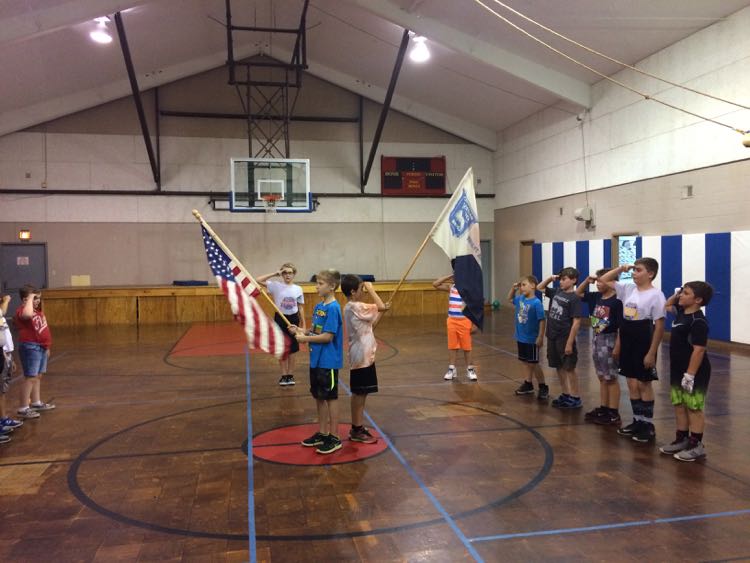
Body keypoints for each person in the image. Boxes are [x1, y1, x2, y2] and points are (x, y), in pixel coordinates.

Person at [599, 258, 666, 443]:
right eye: (634, 270)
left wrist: (651, 352)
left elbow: (659, 327)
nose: (634, 273)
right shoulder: (628, 289)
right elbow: (603, 279)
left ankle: (648, 425)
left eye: (638, 270)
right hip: (627, 337)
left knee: (644, 383)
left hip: (643, 338)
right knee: (631, 382)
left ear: (650, 274)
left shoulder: (656, 295)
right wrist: (621, 268)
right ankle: (637, 420)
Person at [659, 282, 713, 461]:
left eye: (686, 293)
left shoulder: (698, 321)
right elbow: (667, 305)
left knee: (693, 407)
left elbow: (699, 350)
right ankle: (681, 439)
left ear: (698, 300)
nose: (681, 295)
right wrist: (677, 295)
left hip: (694, 371)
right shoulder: (681, 313)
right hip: (677, 368)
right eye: (682, 292)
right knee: (679, 404)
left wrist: (690, 375)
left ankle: (696, 445)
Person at [292, 269, 344, 455]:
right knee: (319, 397)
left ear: (332, 286)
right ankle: (322, 433)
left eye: (320, 284)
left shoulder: (334, 308)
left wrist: (304, 339)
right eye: (317, 283)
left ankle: (334, 436)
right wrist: (300, 330)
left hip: (328, 361)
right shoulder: (319, 306)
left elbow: (327, 337)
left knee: (330, 398)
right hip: (316, 360)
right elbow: (315, 330)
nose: (316, 287)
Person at [340, 275, 390, 444]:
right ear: (353, 291)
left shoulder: (353, 308)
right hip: (361, 357)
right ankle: (356, 428)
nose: (364, 291)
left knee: (362, 392)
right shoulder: (356, 306)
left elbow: (372, 325)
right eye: (361, 289)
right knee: (359, 393)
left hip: (365, 356)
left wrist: (382, 311)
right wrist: (371, 288)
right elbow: (380, 306)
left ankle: (358, 427)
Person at [576, 269, 623, 425]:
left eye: (601, 281)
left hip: (610, 339)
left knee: (611, 377)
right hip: (597, 337)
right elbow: (578, 293)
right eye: (597, 281)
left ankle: (613, 412)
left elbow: (621, 327)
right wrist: (586, 281)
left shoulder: (617, 300)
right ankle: (604, 407)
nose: (598, 284)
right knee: (602, 376)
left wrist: (617, 346)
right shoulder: (596, 297)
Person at [537, 268, 584, 408]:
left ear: (574, 280)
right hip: (552, 335)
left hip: (564, 337)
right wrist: (551, 278)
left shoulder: (574, 298)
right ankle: (566, 393)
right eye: (561, 279)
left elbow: (576, 322)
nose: (561, 282)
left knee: (569, 368)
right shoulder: (557, 292)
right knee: (558, 366)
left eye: (564, 279)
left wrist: (569, 343)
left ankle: (575, 397)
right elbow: (540, 287)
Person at [257, 263, 306, 386]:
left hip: (293, 319)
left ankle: (290, 375)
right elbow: (258, 280)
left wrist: (303, 324)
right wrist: (275, 273)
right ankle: (284, 375)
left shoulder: (298, 289)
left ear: (294, 274)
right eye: (285, 273)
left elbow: (300, 307)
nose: (287, 275)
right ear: (282, 274)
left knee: (293, 349)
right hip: (280, 318)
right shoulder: (276, 286)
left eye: (290, 273)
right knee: (282, 347)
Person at [15, 285, 55, 418]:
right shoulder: (22, 311)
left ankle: (36, 402)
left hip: (41, 347)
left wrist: (47, 346)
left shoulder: (37, 312)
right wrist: (30, 298)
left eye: (38, 298)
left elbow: (43, 329)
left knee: (38, 376)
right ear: (25, 300)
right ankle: (23, 407)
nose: (38, 301)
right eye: (35, 298)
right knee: (30, 377)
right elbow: (27, 314)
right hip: (30, 347)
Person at [508, 276, 548, 400]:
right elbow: (509, 299)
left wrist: (540, 336)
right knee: (525, 362)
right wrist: (513, 289)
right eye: (521, 285)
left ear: (533, 286)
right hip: (521, 337)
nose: (521, 287)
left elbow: (542, 320)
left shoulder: (536, 303)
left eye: (524, 285)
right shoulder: (520, 298)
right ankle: (528, 383)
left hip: (532, 339)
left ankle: (543, 386)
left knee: (533, 363)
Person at [433, 274, 478, 381]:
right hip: (452, 321)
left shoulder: (468, 290)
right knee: (452, 346)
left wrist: (475, 323)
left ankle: (470, 369)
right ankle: (452, 369)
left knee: (467, 347)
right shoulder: (451, 287)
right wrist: (449, 276)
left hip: (465, 321)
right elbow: (435, 284)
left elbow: (474, 307)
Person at [1, 295, 23, 443]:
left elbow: (5, 339)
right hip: (2, 354)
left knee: (3, 390)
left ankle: (3, 418)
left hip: (4, 355)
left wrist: (10, 356)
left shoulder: (1, 318)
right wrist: (6, 301)